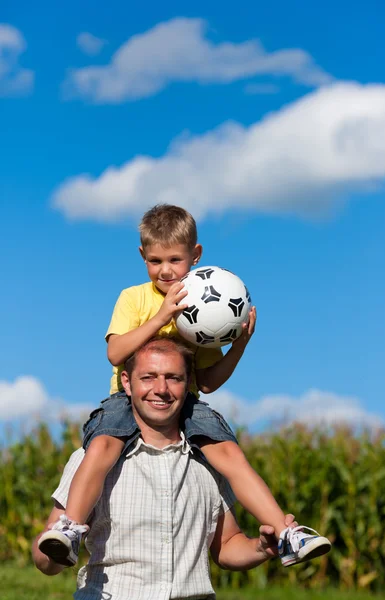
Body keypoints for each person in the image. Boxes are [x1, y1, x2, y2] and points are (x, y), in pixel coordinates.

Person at [38, 204, 330, 569]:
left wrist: (239, 346)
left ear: (196, 256)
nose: (165, 270)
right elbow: (115, 353)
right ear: (142, 256)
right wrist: (162, 317)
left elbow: (207, 382)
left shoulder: (206, 304)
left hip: (185, 401)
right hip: (125, 401)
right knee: (101, 446)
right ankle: (70, 529)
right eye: (155, 260)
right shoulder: (134, 298)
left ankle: (287, 533)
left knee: (230, 455)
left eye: (175, 259)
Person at [33, 337, 298, 599]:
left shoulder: (210, 461)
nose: (161, 389)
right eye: (148, 377)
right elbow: (46, 558)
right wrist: (52, 552)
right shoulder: (91, 459)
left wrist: (261, 549)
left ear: (188, 383)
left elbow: (226, 546)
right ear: (126, 382)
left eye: (173, 377)